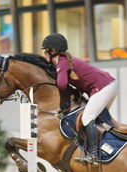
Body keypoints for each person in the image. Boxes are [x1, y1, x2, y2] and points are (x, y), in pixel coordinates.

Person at [42, 33, 117, 165]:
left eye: (46, 51)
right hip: (108, 85)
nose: (44, 54)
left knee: (87, 118)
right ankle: (104, 148)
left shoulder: (62, 62)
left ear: (53, 51)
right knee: (95, 120)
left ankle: (93, 155)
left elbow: (62, 85)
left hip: (104, 86)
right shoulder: (63, 62)